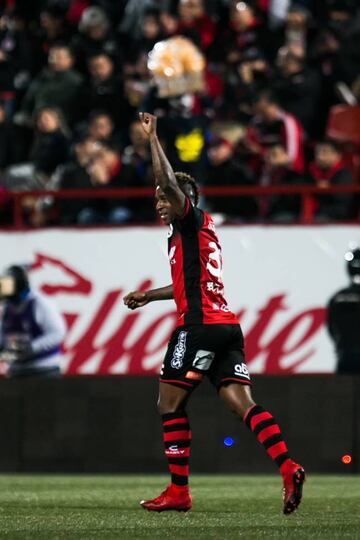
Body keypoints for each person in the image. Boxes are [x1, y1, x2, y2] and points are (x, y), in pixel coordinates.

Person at [123, 112, 305, 515]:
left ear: (181, 200)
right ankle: (288, 466)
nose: (158, 202)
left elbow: (169, 182)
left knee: (169, 405)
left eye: (162, 197)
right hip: (226, 327)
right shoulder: (196, 233)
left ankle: (179, 491)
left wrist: (153, 140)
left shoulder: (188, 220)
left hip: (200, 327)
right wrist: (149, 296)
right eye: (156, 198)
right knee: (243, 404)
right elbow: (188, 286)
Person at [0, 265, 66, 377]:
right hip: (17, 370)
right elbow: (4, 337)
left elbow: (58, 333)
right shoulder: (8, 307)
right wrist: (5, 353)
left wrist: (32, 347)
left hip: (44, 369)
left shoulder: (40, 303)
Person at [326, 248, 360, 374]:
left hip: (345, 357)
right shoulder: (338, 297)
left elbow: (331, 327)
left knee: (343, 392)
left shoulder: (338, 297)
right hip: (346, 356)